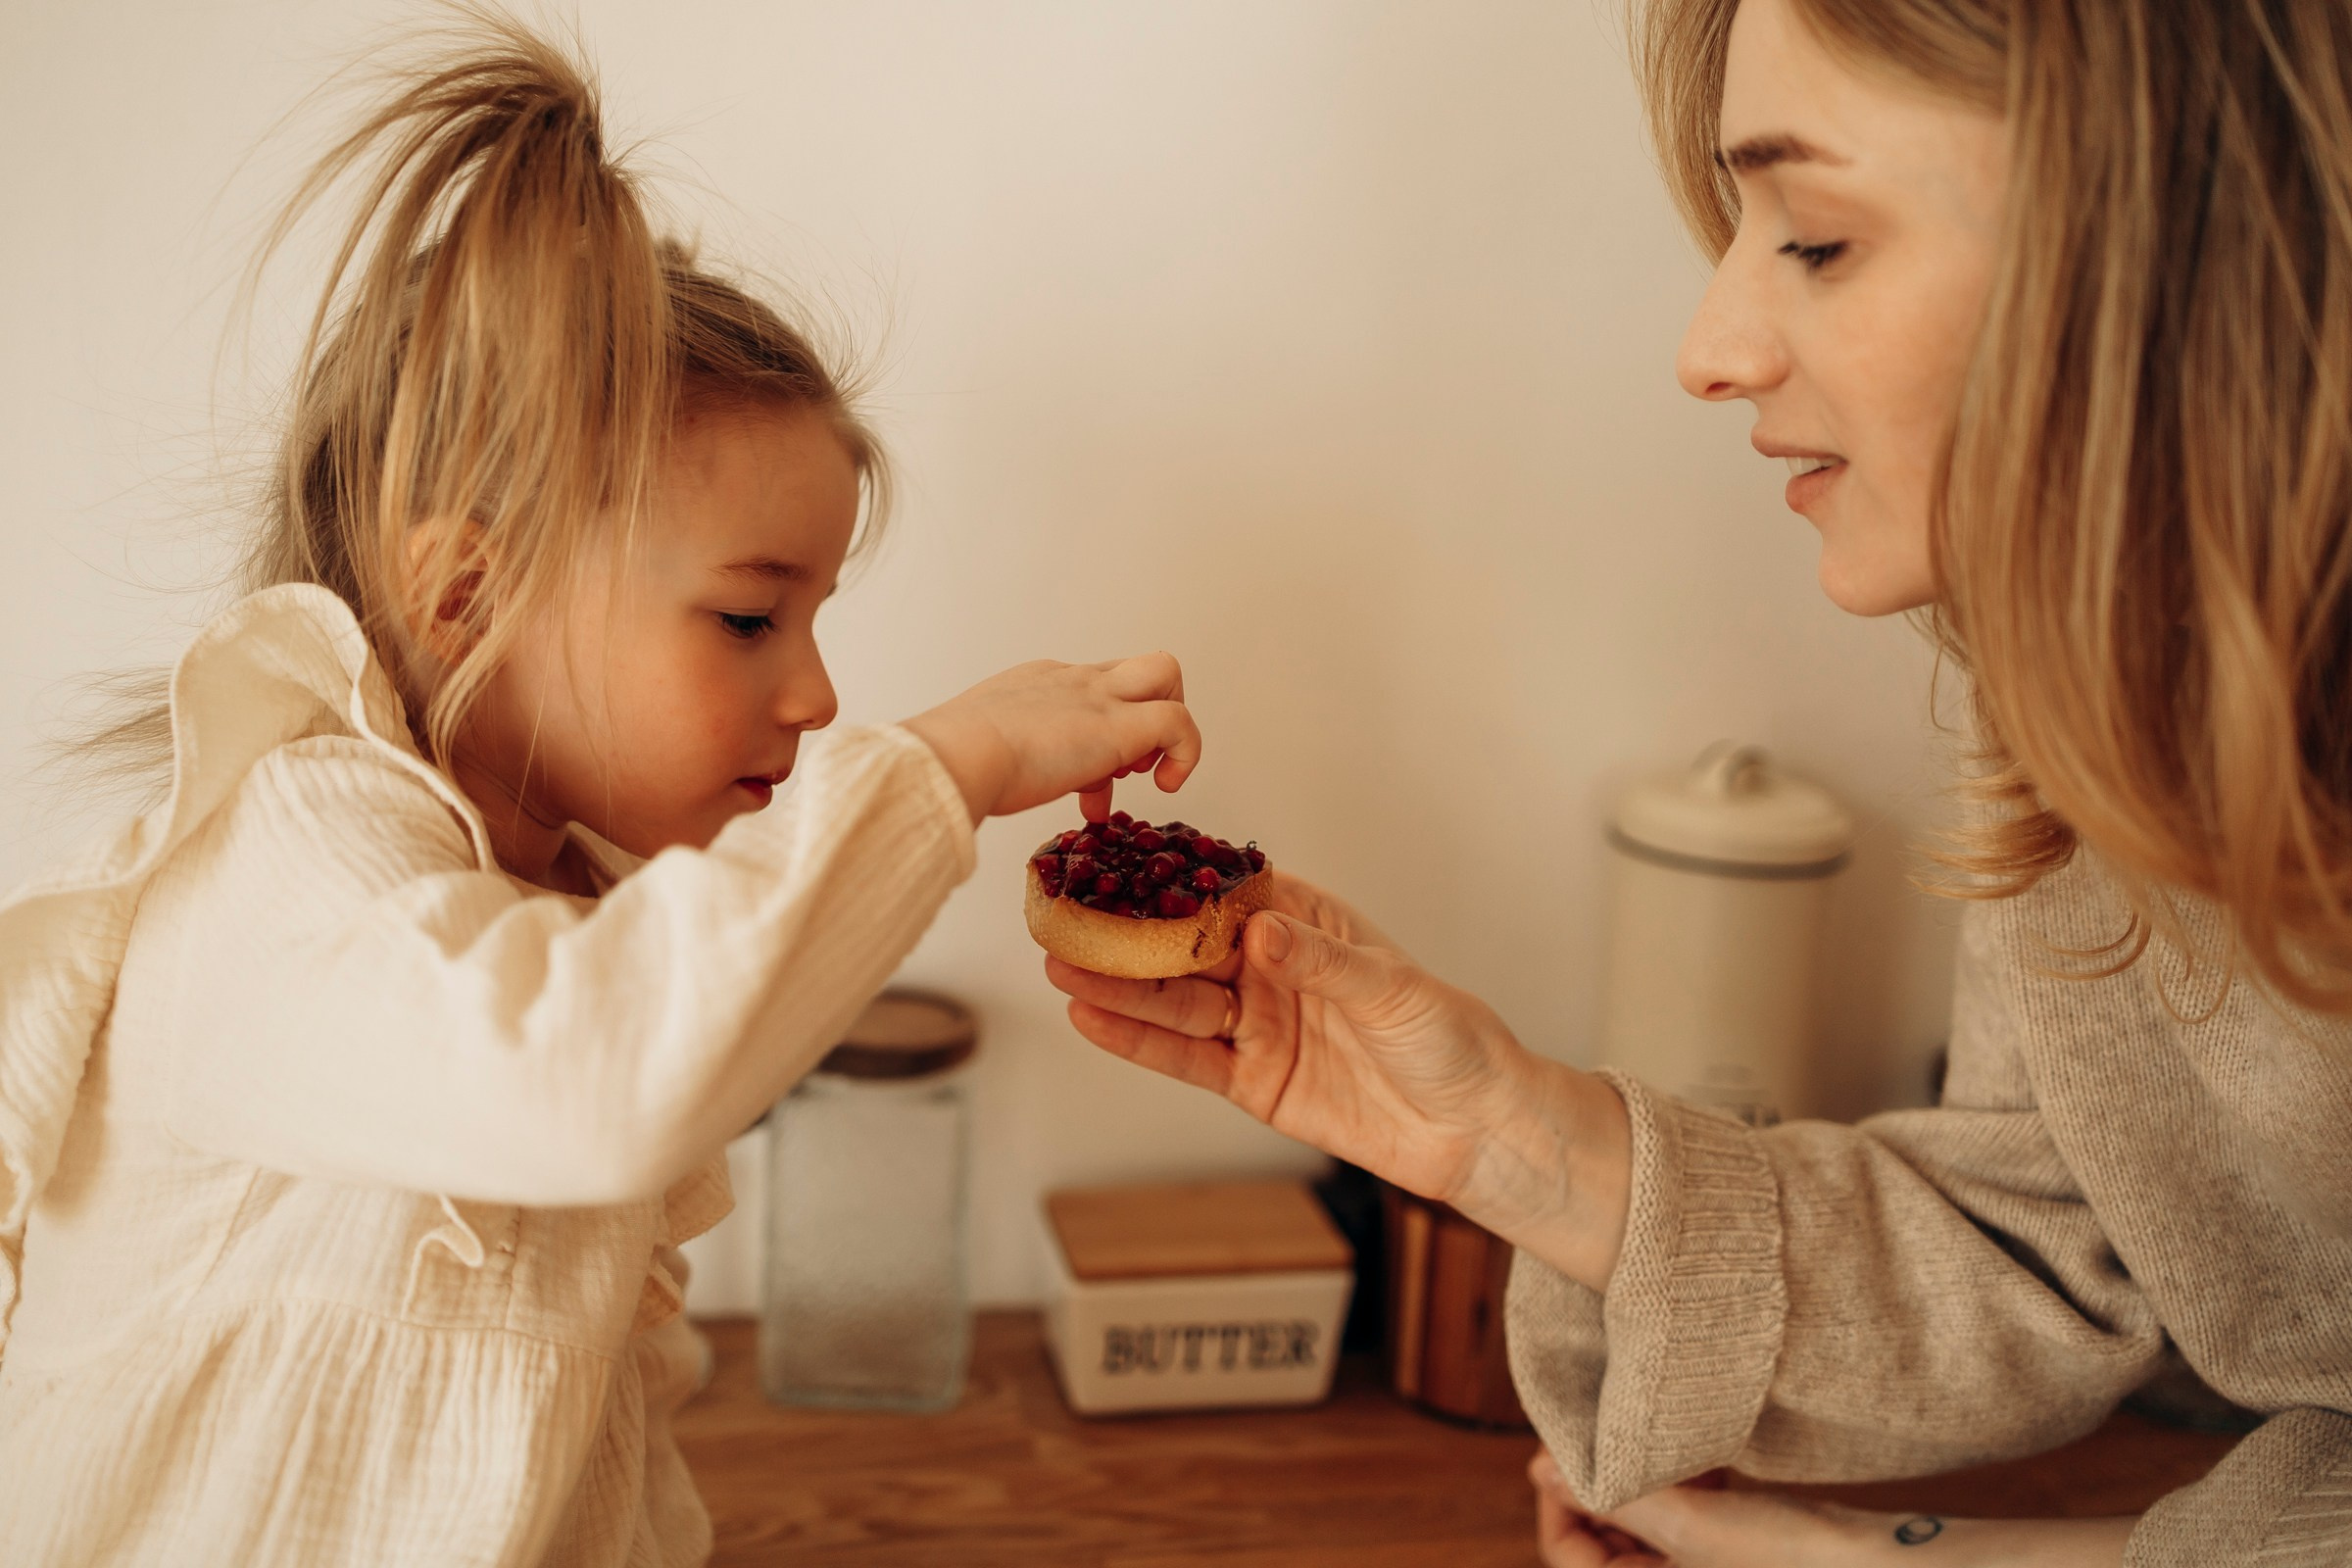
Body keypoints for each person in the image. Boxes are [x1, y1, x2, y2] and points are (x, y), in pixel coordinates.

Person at [1052, 0, 2352, 1563]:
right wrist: (1511, 1139)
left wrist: (1869, 1558)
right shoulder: (2089, 692)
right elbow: (2059, 1237)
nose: (1709, 350)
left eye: (1814, 238)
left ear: (2185, 235)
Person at [0, 18, 1200, 1567]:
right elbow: (593, 1076)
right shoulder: (286, 865)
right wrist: (948, 766)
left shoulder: (560, 897)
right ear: (465, 596)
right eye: (750, 618)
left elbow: (585, 1442)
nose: (819, 694)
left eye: (817, 620)